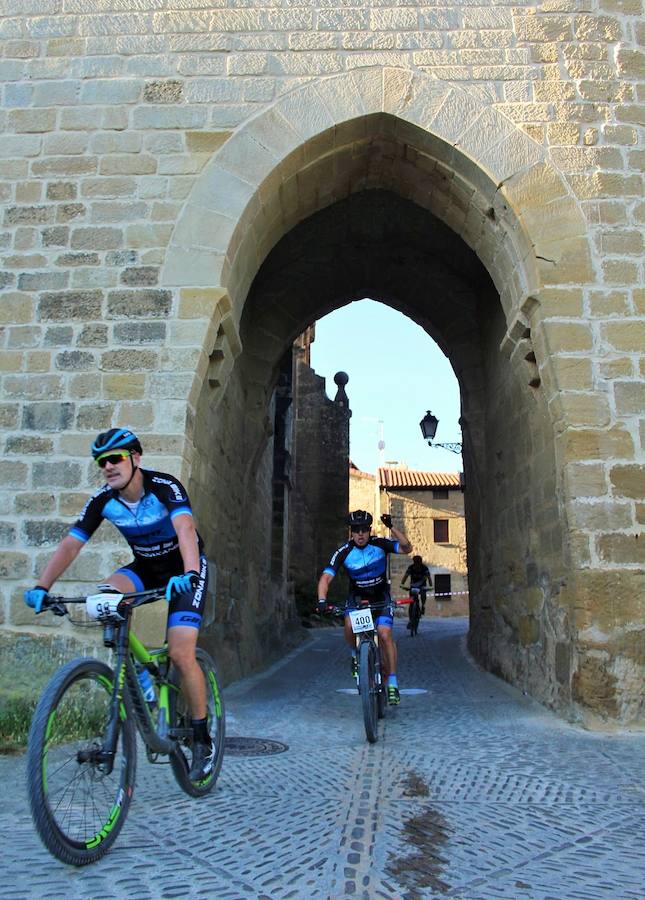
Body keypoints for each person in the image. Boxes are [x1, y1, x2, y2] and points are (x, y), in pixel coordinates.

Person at [23, 428, 214, 782]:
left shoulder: (164, 487)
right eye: (102, 462)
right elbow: (71, 544)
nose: (108, 467)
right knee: (104, 598)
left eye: (115, 459)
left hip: (185, 569)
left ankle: (203, 739)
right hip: (145, 568)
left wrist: (189, 571)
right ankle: (138, 672)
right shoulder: (103, 500)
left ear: (135, 459)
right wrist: (42, 585)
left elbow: (186, 530)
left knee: (181, 653)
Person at [317, 509, 412, 705]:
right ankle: (355, 654)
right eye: (356, 530)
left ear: (369, 531)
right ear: (351, 532)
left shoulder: (380, 544)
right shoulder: (343, 552)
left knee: (385, 635)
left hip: (381, 599)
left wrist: (391, 527)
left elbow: (406, 548)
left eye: (364, 530)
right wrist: (322, 600)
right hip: (358, 600)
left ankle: (393, 683)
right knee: (350, 626)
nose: (360, 534)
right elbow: (326, 577)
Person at [401, 555, 433, 626]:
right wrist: (402, 584)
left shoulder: (424, 568)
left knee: (423, 595)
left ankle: (423, 606)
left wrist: (431, 586)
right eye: (416, 562)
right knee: (411, 603)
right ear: (414, 562)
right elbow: (405, 576)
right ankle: (410, 620)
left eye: (418, 562)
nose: (417, 564)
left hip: (422, 586)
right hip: (413, 586)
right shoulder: (411, 567)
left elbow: (429, 578)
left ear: (421, 562)